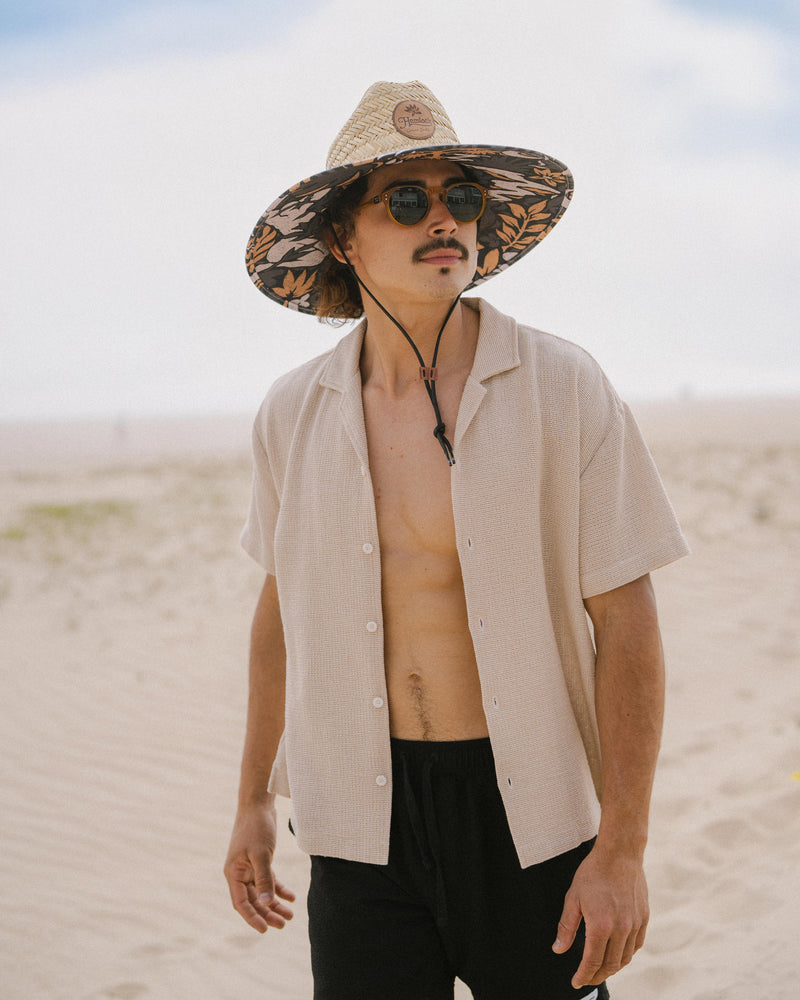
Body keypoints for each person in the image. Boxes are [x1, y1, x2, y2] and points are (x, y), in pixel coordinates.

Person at [224, 80, 689, 1000]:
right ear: (344, 241)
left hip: (530, 817)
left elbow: (628, 624)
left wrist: (623, 850)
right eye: (406, 200)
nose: (443, 220)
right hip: (358, 820)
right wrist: (249, 802)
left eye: (462, 199)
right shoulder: (293, 414)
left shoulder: (564, 387)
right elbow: (281, 613)